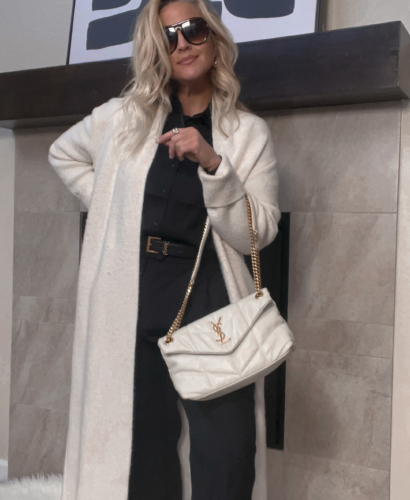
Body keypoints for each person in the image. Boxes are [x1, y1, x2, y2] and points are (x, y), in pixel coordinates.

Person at [48, 1, 281, 499]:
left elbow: (256, 235)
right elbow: (63, 152)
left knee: (227, 455)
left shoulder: (247, 134)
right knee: (141, 452)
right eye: (169, 34)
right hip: (131, 294)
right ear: (158, 47)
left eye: (192, 29)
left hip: (208, 298)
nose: (182, 43)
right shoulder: (124, 119)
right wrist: (111, 205)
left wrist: (213, 162)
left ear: (213, 36)